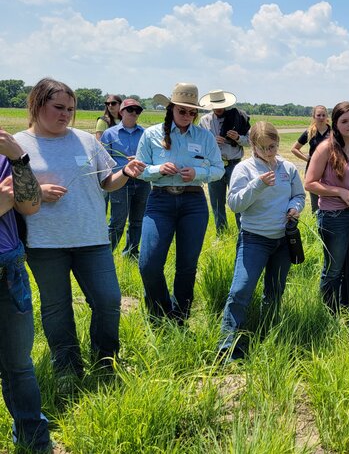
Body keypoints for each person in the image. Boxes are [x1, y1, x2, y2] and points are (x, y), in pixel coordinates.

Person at [14, 78, 146, 377]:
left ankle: (105, 363)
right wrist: (37, 191)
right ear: (37, 104)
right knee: (56, 307)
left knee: (108, 300)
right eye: (58, 107)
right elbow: (8, 192)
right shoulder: (18, 145)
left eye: (70, 109)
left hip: (92, 238)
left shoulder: (86, 140)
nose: (65, 115)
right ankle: (67, 368)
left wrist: (125, 172)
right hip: (45, 243)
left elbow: (107, 182)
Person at [135, 83, 223, 324]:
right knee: (149, 264)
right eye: (182, 111)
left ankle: (180, 317)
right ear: (171, 108)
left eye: (192, 112)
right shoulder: (152, 134)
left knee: (187, 266)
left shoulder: (204, 137)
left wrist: (197, 173)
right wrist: (157, 169)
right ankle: (160, 311)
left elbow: (218, 169)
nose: (187, 116)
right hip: (160, 201)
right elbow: (139, 170)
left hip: (193, 202)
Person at [219, 122, 305, 359]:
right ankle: (228, 346)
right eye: (264, 147)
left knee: (275, 291)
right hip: (254, 238)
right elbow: (235, 204)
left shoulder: (287, 168)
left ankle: (267, 334)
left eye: (274, 146)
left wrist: (293, 208)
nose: (270, 152)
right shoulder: (244, 169)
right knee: (241, 290)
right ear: (253, 146)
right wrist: (257, 185)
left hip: (283, 241)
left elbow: (299, 195)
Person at [0, 127, 51, 452]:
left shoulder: (6, 153)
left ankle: (34, 440)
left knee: (19, 366)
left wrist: (19, 159)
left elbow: (30, 205)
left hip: (9, 272)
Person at [305, 102, 349, 312]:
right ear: (335, 124)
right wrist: (340, 191)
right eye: (344, 121)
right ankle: (330, 311)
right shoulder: (325, 149)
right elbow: (310, 183)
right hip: (334, 216)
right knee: (334, 268)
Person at [101, 98, 151, 260]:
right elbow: (103, 159)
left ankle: (131, 253)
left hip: (142, 181)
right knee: (117, 222)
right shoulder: (109, 134)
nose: (134, 113)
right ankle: (106, 256)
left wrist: (140, 159)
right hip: (119, 181)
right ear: (121, 112)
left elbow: (151, 157)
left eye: (138, 110)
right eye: (131, 110)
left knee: (138, 221)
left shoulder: (145, 134)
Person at [199, 90, 250, 234]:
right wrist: (211, 141)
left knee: (239, 200)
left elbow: (250, 142)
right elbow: (199, 144)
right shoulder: (204, 121)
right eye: (215, 105)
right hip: (214, 164)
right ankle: (221, 233)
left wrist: (238, 138)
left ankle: (243, 232)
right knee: (216, 202)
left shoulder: (238, 118)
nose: (218, 108)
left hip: (234, 164)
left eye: (221, 105)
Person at [291, 105, 330, 214]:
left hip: (329, 170)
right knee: (315, 205)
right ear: (314, 117)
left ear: (327, 116)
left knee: (330, 201)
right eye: (318, 115)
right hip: (313, 172)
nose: (321, 117)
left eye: (323, 115)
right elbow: (294, 149)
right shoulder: (309, 132)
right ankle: (318, 227)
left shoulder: (333, 132)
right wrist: (307, 159)